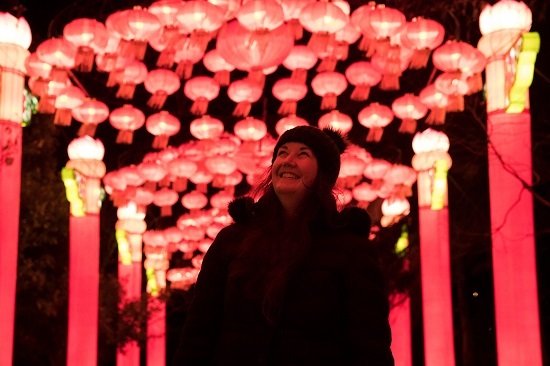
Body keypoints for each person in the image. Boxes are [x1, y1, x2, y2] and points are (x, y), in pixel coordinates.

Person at [171, 126, 394, 365]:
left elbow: (370, 343)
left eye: (303, 154)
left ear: (324, 174)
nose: (288, 161)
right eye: (282, 153)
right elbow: (199, 330)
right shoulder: (232, 241)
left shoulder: (351, 249)